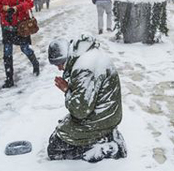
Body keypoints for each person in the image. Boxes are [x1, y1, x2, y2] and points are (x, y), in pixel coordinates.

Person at [47, 35, 127, 163]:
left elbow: (80, 111)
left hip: (103, 117)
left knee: (54, 148)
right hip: (107, 112)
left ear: (64, 58)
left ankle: (109, 147)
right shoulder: (86, 55)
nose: (59, 68)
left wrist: (67, 90)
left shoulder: (84, 68)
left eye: (58, 64)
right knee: (61, 130)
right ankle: (105, 135)